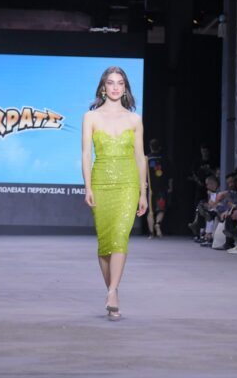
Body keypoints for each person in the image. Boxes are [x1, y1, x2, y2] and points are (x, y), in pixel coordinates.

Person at [82, 66, 148, 320]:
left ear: (126, 88)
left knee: (120, 236)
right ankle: (112, 291)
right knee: (105, 243)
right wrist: (88, 187)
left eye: (120, 83)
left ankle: (112, 292)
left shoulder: (134, 119)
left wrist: (143, 193)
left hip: (128, 183)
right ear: (103, 87)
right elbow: (86, 154)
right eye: (111, 82)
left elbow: (140, 157)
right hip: (101, 182)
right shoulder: (90, 117)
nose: (115, 87)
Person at [145, 138, 172, 238]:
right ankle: (158, 224)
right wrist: (170, 186)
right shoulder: (164, 158)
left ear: (150, 147)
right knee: (161, 209)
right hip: (162, 188)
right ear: (159, 147)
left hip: (150, 189)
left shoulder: (146, 158)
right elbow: (170, 175)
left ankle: (151, 233)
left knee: (150, 211)